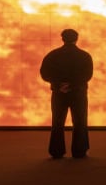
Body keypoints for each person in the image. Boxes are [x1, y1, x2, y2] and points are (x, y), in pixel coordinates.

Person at [40, 28, 93, 160]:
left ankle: (56, 151)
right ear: (77, 39)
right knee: (80, 122)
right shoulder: (85, 56)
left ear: (62, 39)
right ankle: (79, 151)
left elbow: (44, 73)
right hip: (78, 93)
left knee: (57, 122)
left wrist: (59, 85)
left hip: (59, 93)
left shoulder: (52, 55)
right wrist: (72, 85)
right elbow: (87, 75)